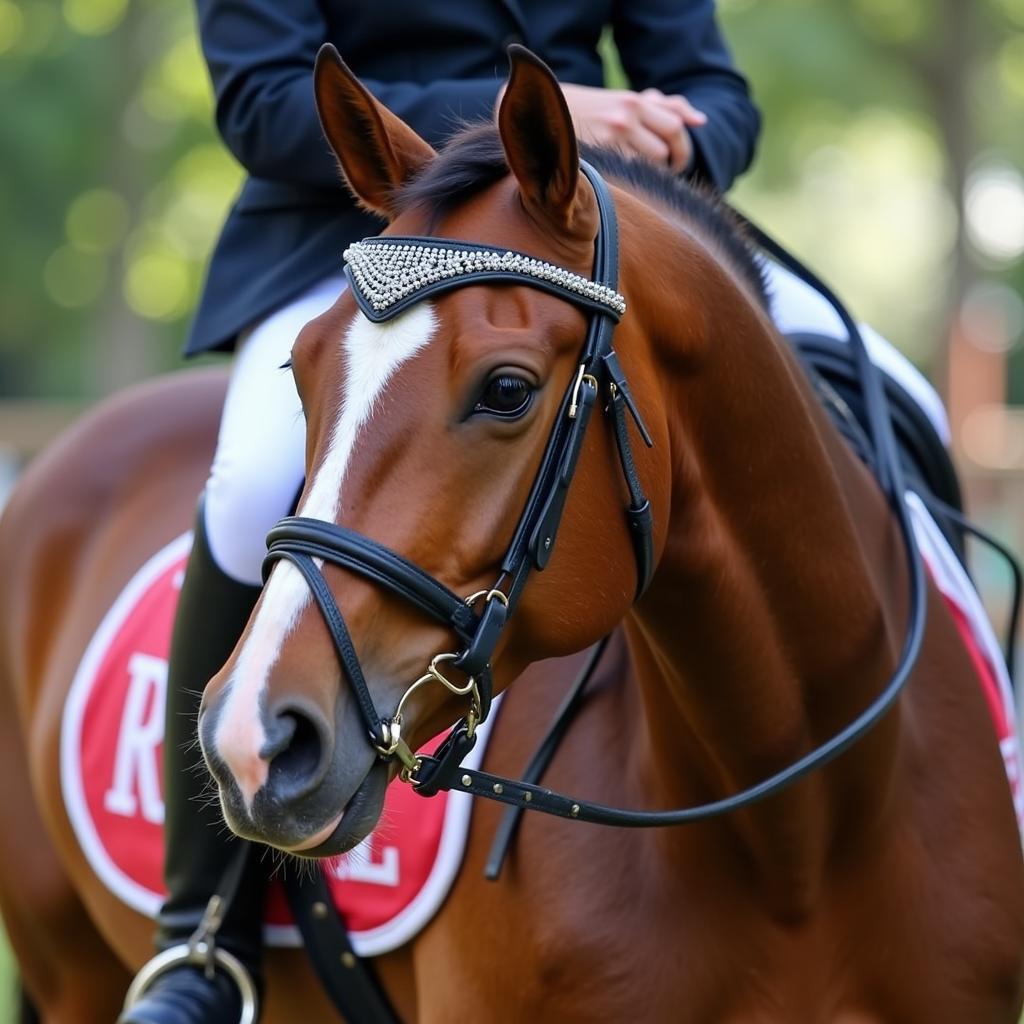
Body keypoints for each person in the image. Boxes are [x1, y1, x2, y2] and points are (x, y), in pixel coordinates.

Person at [119, 3, 946, 1022]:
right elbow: (262, 102)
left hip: (592, 234)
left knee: (910, 398)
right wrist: (558, 117)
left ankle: (963, 768)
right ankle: (202, 936)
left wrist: (673, 137)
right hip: (377, 238)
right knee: (252, 484)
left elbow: (720, 97)